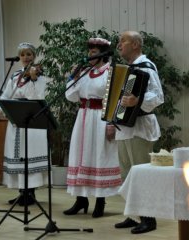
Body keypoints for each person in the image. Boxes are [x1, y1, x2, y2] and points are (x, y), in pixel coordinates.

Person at [63, 37, 122, 218]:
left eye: (94, 52)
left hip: (100, 118)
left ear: (103, 54)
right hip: (83, 117)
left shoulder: (110, 72)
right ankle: (81, 200)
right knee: (81, 156)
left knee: (99, 156)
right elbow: (71, 96)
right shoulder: (85, 72)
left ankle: (100, 201)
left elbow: (115, 99)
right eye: (89, 52)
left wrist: (112, 122)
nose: (90, 55)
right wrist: (73, 76)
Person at [113, 31, 164, 234]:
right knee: (127, 175)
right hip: (124, 129)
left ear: (135, 44)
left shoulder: (147, 67)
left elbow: (158, 96)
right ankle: (134, 215)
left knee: (141, 175)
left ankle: (148, 219)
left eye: (123, 41)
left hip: (140, 128)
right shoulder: (127, 69)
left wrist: (138, 101)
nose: (119, 45)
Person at [0, 42, 48, 206]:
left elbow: (39, 96)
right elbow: (6, 95)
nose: (25, 57)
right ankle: (22, 192)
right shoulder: (16, 76)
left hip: (32, 121)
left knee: (29, 155)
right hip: (16, 121)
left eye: (29, 54)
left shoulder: (40, 76)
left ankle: (30, 193)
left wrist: (33, 79)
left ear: (34, 56)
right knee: (18, 156)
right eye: (22, 54)